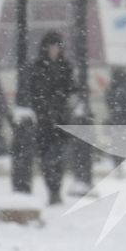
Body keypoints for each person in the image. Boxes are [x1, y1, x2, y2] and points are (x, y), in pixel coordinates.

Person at [19, 30, 76, 205]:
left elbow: (71, 89)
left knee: (59, 157)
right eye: (51, 47)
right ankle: (52, 189)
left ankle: (56, 189)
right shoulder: (36, 68)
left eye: (57, 46)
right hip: (43, 120)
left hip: (60, 119)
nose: (54, 50)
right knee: (46, 158)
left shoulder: (65, 66)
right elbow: (30, 91)